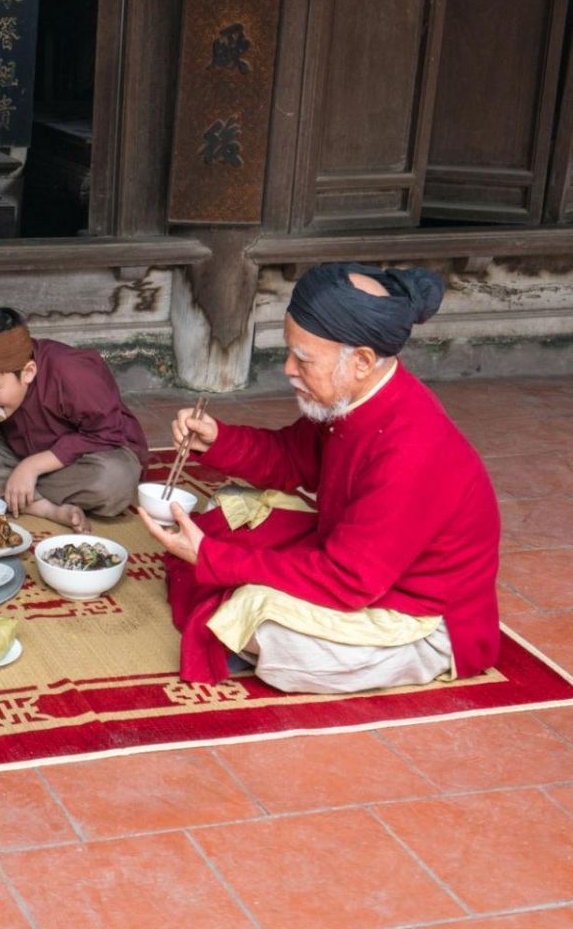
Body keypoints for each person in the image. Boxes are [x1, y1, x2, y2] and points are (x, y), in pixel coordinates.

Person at [138, 262, 501, 694]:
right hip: (359, 562)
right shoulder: (355, 398)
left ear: (361, 361)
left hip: (416, 617)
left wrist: (213, 559)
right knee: (234, 504)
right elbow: (292, 458)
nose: (289, 369)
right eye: (290, 352)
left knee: (260, 619)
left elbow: (348, 581)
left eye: (303, 359)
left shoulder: (411, 450)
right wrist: (218, 439)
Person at [0, 307, 148, 531]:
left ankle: (11, 489)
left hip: (84, 457)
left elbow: (108, 432)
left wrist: (32, 466)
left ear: (28, 372)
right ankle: (42, 507)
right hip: (15, 446)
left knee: (113, 481)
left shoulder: (72, 371)